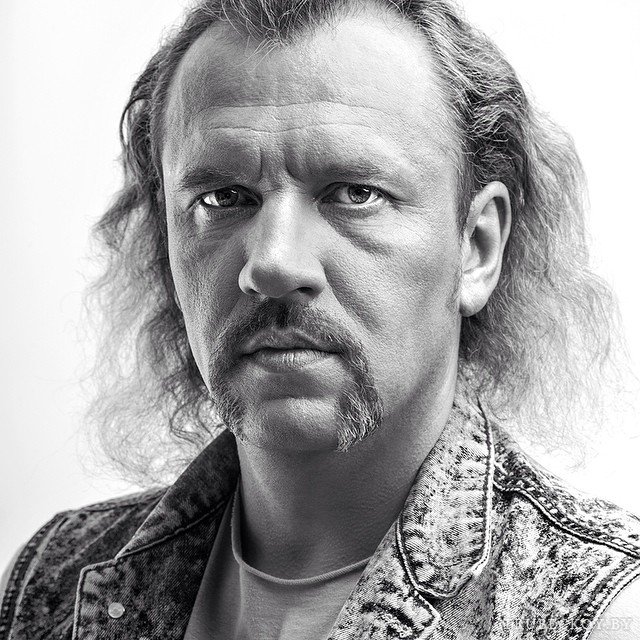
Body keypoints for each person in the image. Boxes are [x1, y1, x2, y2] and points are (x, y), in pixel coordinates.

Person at [1, 0, 638, 638]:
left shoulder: (605, 615)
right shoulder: (51, 583)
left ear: (476, 246)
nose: (274, 262)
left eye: (355, 193)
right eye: (223, 198)